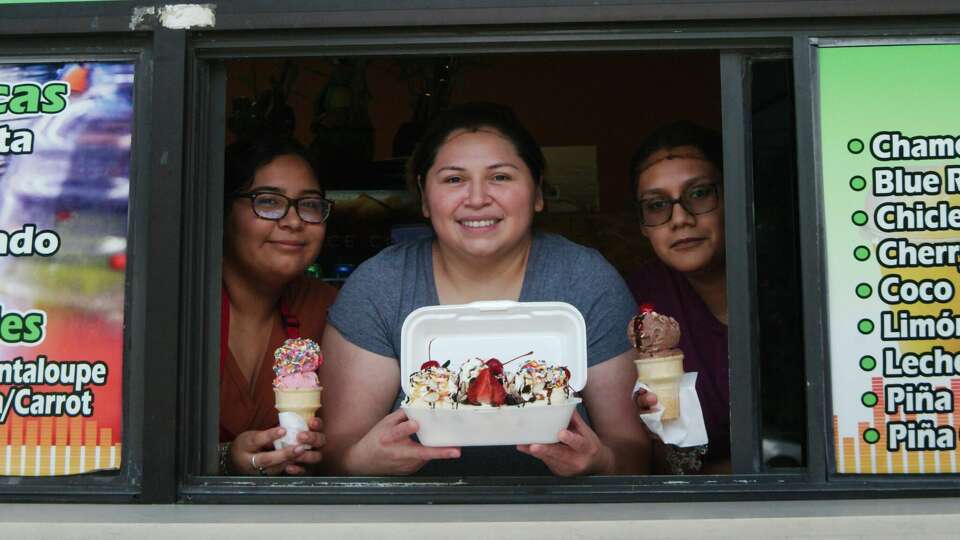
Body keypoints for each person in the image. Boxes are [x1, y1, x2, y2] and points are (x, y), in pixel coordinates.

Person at [319, 103, 649, 476]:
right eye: (454, 179)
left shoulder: (586, 280)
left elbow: (633, 450)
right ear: (425, 198)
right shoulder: (380, 286)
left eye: (501, 177)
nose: (477, 199)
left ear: (538, 193)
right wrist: (361, 460)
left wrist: (601, 461)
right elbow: (336, 455)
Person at [218, 136, 338, 476]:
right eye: (268, 201)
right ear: (224, 212)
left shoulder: (330, 310)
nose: (293, 221)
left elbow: (348, 438)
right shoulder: (177, 304)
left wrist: (322, 453)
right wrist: (224, 460)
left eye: (310, 204)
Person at [627, 121, 730, 473]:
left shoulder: (791, 287)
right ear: (642, 225)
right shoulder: (639, 301)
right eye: (657, 205)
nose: (680, 219)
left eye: (699, 193)